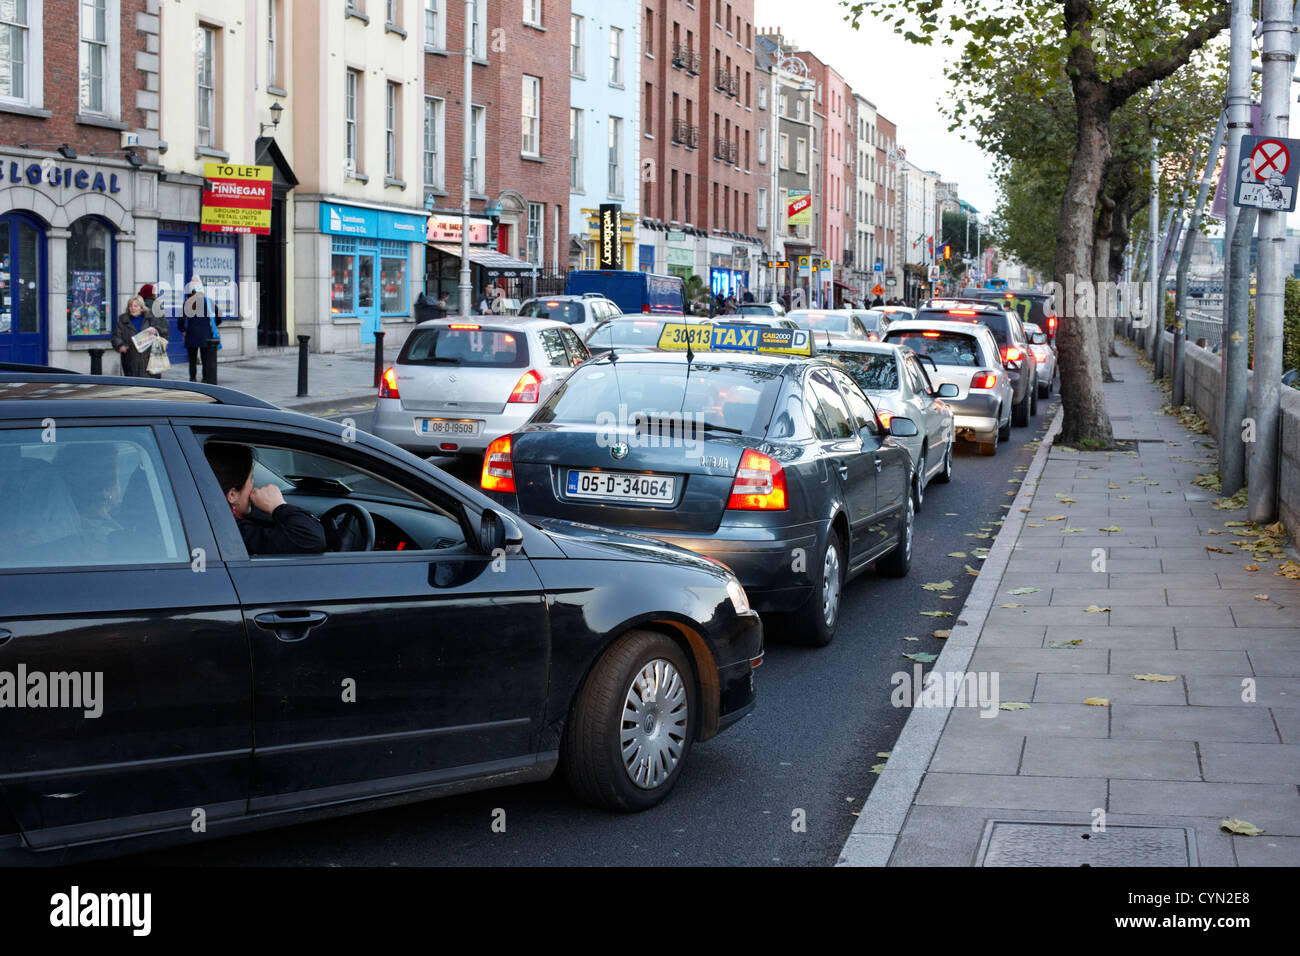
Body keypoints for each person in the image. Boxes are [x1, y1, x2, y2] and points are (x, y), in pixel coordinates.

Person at [203, 442, 326, 555]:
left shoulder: (209, 522)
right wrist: (278, 505)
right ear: (232, 495)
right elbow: (311, 539)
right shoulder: (235, 534)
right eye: (251, 479)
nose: (254, 485)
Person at [111, 295, 168, 377]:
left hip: (150, 359)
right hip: (131, 359)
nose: (133, 308)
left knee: (151, 385)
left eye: (135, 306)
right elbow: (116, 336)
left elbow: (164, 331)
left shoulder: (151, 318)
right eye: (130, 306)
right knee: (133, 385)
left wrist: (156, 330)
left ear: (141, 307)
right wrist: (120, 345)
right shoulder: (123, 320)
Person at [178, 279, 222, 383]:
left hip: (191, 334)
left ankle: (192, 378)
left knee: (192, 360)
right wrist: (213, 325)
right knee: (205, 359)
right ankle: (205, 378)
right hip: (206, 334)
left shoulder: (188, 303)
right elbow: (219, 316)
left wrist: (183, 330)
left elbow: (180, 321)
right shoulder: (208, 302)